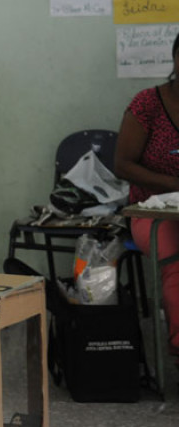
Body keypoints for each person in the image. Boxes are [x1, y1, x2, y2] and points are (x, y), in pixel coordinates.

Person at [114, 31, 179, 368]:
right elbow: (122, 164)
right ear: (175, 58)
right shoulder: (148, 104)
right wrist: (172, 183)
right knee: (177, 265)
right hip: (150, 212)